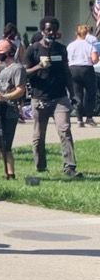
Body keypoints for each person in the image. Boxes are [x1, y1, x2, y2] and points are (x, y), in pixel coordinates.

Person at [25, 16, 81, 177]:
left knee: (65, 130)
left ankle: (69, 167)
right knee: (38, 135)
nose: (51, 32)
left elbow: (66, 72)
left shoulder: (61, 49)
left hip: (60, 98)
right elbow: (24, 72)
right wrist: (38, 66)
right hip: (40, 98)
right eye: (48, 29)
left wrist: (73, 94)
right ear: (42, 30)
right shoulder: (33, 49)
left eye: (54, 30)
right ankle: (41, 167)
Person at [0, 39, 26, 179]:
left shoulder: (17, 68)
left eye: (0, 52)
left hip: (9, 110)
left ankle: (10, 174)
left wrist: (5, 97)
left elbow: (20, 90)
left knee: (5, 144)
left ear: (10, 53)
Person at [66, 23, 98, 128]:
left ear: (76, 33)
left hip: (73, 69)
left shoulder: (70, 46)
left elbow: (67, 59)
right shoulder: (89, 45)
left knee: (77, 94)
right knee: (90, 93)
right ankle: (89, 117)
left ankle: (79, 119)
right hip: (87, 69)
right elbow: (94, 59)